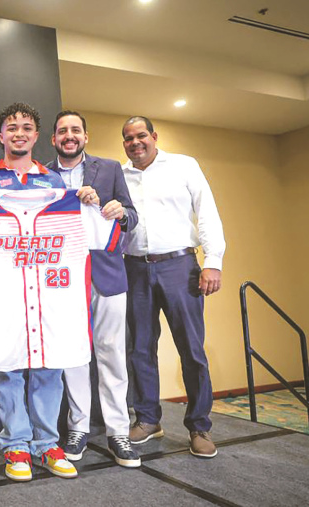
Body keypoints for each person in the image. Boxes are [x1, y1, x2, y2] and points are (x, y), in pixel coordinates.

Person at [0, 103, 99, 482]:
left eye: (27, 127)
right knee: (9, 370)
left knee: (50, 368)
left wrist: (86, 204)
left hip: (49, 295)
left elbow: (79, 236)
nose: (19, 133)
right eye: (11, 127)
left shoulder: (55, 184)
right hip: (4, 295)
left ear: (37, 137)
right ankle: (16, 443)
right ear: (1, 136)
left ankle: (48, 444)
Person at [121, 116, 225, 458]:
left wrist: (213, 262)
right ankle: (148, 418)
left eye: (141, 136)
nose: (135, 143)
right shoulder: (120, 175)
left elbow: (206, 212)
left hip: (180, 266)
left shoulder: (183, 165)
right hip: (134, 267)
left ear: (154, 136)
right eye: (128, 138)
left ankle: (199, 426)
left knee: (192, 350)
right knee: (139, 348)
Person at [45, 110, 141, 467]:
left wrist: (117, 210)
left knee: (112, 352)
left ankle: (118, 429)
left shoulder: (111, 168)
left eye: (75, 130)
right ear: (54, 139)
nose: (69, 136)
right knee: (73, 354)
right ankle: (78, 426)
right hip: (63, 279)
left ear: (85, 136)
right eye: (62, 131)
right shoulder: (41, 175)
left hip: (108, 275)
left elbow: (131, 216)